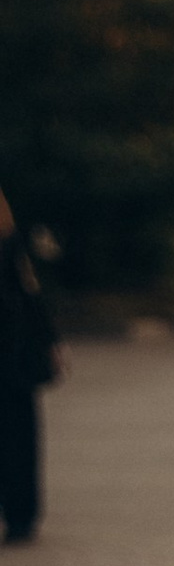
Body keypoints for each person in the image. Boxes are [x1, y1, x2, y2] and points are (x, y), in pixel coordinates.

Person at [0, 188, 62, 546]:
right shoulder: (10, 242)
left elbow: (29, 295)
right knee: (19, 434)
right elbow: (31, 294)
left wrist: (50, 341)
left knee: (17, 434)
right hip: (14, 353)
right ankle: (21, 513)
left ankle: (21, 512)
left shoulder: (9, 243)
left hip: (12, 354)